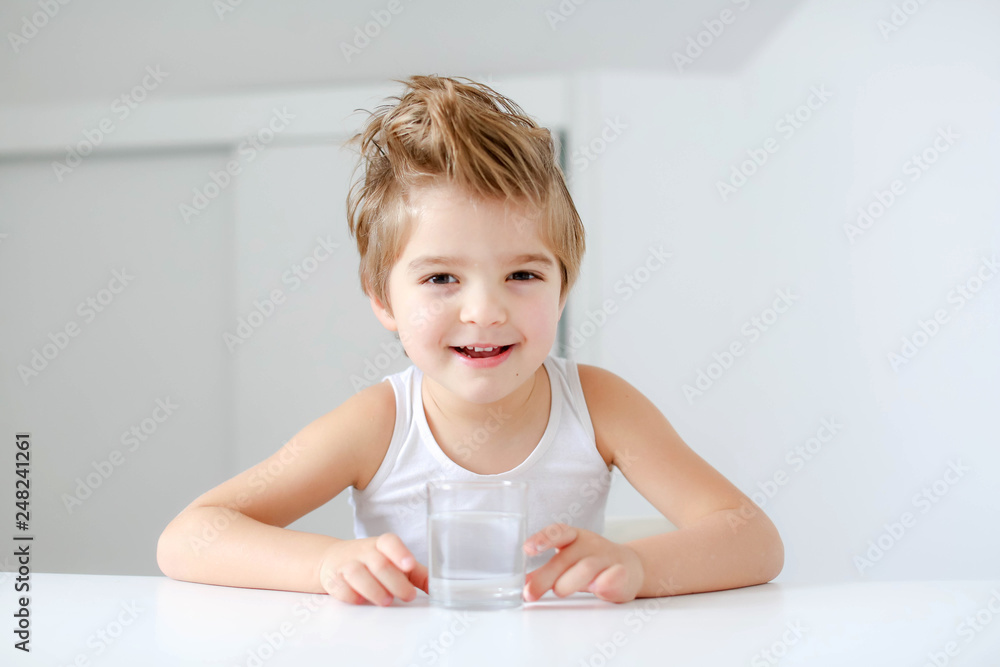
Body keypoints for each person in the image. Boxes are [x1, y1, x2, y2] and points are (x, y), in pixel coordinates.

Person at [157, 74, 784, 606]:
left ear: (562, 290)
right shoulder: (378, 425)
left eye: (522, 275)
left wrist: (638, 566)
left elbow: (752, 538)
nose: (484, 310)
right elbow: (190, 535)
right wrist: (324, 565)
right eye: (441, 278)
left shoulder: (599, 406)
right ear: (383, 300)